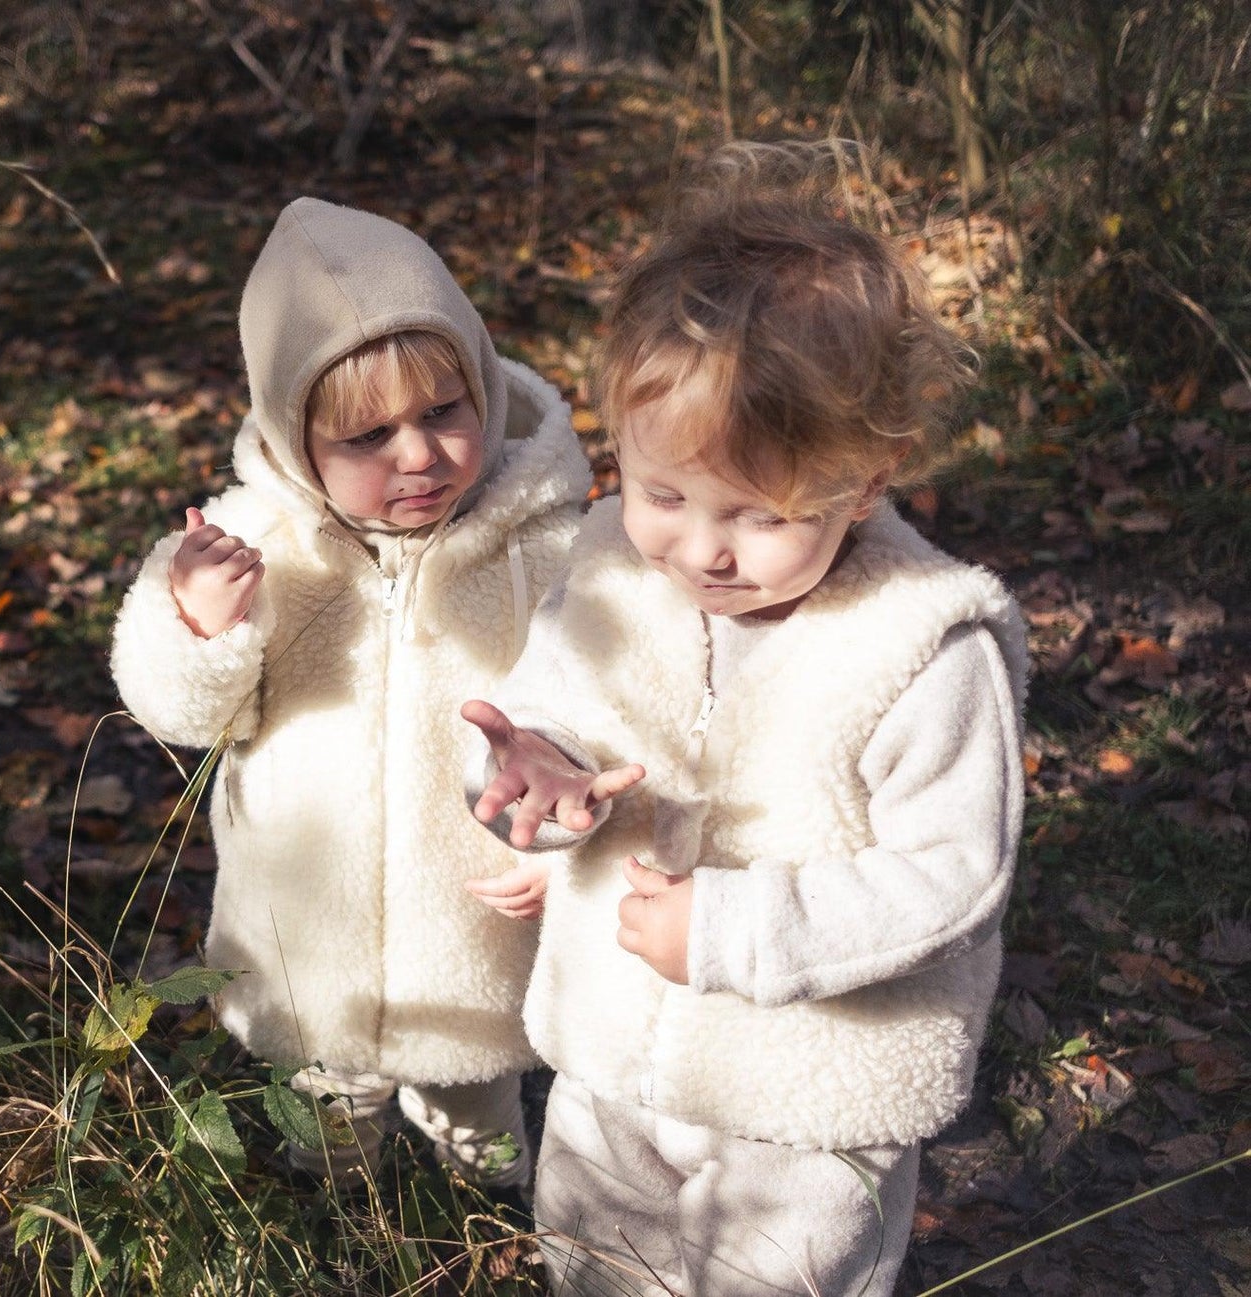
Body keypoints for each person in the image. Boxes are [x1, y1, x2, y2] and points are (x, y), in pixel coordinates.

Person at [462, 143, 1028, 1294]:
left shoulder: (921, 646)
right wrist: (544, 777)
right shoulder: (616, 568)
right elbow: (558, 703)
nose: (703, 550)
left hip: (809, 1097)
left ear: (865, 479)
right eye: (663, 493)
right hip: (611, 1056)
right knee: (590, 1261)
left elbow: (951, 872)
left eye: (762, 515)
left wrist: (733, 934)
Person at [110, 196, 609, 1188]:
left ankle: (487, 1207)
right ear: (298, 443)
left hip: (476, 927)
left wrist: (568, 833)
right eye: (366, 436)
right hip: (311, 928)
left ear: (482, 387)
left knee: (482, 1112)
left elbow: (608, 698)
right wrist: (201, 627)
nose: (416, 455)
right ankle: (334, 1212)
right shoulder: (251, 549)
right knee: (327, 1108)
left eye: (441, 412)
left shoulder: (547, 541)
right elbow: (184, 716)